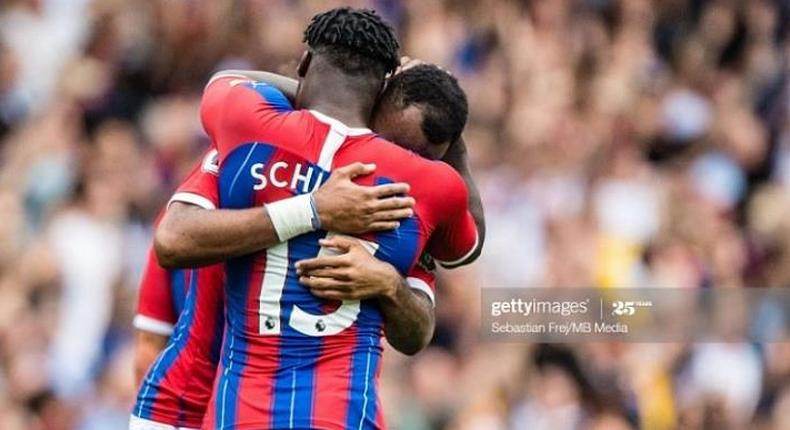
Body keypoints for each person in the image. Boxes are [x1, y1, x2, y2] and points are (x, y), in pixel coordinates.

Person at [131, 62, 480, 430]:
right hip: (188, 405)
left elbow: (418, 331)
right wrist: (310, 210)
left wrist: (389, 284)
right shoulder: (243, 153)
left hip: (298, 412)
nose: (402, 163)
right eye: (391, 144)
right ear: (370, 102)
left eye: (420, 159)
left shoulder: (398, 208)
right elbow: (168, 256)